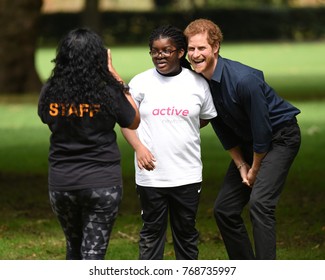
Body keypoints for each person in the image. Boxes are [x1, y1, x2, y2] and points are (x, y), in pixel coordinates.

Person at [184, 19, 301, 260]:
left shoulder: (244, 80)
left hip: (280, 137)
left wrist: (254, 169)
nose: (195, 55)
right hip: (249, 142)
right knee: (224, 210)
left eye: (202, 48)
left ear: (215, 47)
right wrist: (240, 165)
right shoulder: (200, 81)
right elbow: (220, 125)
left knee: (260, 204)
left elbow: (262, 130)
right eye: (191, 49)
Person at [111, 25, 217, 260]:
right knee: (151, 233)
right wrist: (139, 148)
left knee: (186, 234)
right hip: (151, 175)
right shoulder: (140, 83)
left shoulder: (197, 83)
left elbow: (205, 118)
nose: (160, 56)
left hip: (187, 174)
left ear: (180, 53)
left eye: (166, 51)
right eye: (154, 51)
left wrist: (181, 126)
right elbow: (126, 122)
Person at [38, 28, 140, 260]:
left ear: (62, 56)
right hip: (102, 183)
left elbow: (45, 117)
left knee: (73, 249)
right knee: (93, 254)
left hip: (62, 183)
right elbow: (133, 120)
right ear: (99, 57)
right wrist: (114, 75)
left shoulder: (51, 90)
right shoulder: (108, 91)